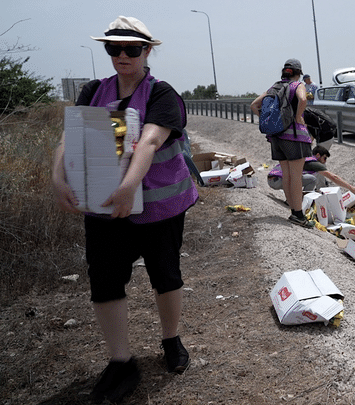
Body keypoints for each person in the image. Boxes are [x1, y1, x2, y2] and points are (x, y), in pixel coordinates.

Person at [51, 16, 197, 403]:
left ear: (148, 51)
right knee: (104, 279)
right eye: (113, 48)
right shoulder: (93, 91)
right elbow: (70, 136)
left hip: (159, 208)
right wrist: (58, 177)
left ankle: (171, 339)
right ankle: (120, 360)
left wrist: (128, 187)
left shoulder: (162, 94)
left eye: (132, 48)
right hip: (102, 207)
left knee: (165, 274)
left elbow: (149, 141)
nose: (122, 55)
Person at [251, 59, 314, 228]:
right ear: (298, 73)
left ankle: (294, 212)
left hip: (276, 137)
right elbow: (303, 99)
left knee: (286, 175)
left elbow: (254, 105)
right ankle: (299, 215)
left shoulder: (274, 87)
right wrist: (298, 117)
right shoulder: (297, 85)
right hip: (294, 137)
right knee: (296, 177)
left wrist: (273, 123)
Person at [267, 145, 355, 194]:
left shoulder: (305, 157)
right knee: (312, 179)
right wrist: (351, 188)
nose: (324, 162)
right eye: (324, 158)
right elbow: (333, 177)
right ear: (317, 155)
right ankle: (300, 203)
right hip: (278, 181)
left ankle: (292, 200)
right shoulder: (313, 163)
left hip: (272, 179)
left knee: (303, 177)